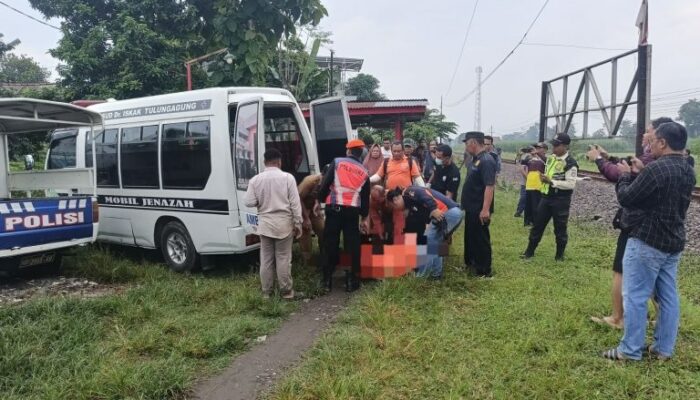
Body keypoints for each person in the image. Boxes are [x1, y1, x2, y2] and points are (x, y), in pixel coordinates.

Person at [602, 122, 696, 361]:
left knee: (635, 296)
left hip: (647, 241)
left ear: (663, 143)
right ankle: (663, 349)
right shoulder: (687, 169)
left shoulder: (658, 169)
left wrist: (624, 176)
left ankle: (630, 350)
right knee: (668, 297)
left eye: (652, 140)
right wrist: (643, 171)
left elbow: (627, 198)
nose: (649, 144)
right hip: (673, 241)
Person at [587, 117, 671, 329]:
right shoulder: (670, 161)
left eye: (648, 132)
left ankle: (619, 318)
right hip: (656, 226)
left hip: (637, 223)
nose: (644, 135)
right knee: (654, 275)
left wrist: (599, 160)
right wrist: (609, 157)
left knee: (621, 270)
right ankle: (663, 319)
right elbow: (630, 166)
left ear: (659, 138)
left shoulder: (653, 159)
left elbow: (622, 177)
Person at [244, 149, 303, 299]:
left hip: (265, 225)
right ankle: (287, 292)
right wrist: (298, 223)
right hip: (284, 223)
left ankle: (266, 292)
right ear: (279, 162)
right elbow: (295, 204)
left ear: (265, 162)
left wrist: (260, 202)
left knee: (266, 259)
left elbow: (248, 201)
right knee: (283, 258)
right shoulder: (287, 178)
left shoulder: (255, 180)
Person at [318, 139, 371, 292]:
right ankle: (351, 282)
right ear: (360, 154)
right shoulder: (364, 171)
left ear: (348, 151)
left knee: (330, 244)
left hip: (333, 210)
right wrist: (364, 217)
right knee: (351, 246)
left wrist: (321, 200)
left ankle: (327, 282)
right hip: (352, 213)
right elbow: (365, 198)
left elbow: (325, 184)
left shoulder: (337, 162)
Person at [522, 133, 578, 261]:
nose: (554, 148)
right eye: (553, 145)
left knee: (560, 228)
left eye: (557, 145)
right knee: (537, 225)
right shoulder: (552, 158)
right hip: (546, 198)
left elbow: (571, 184)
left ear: (565, 146)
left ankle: (559, 256)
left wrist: (551, 182)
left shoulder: (570, 162)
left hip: (561, 200)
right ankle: (529, 252)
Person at [387, 186, 464, 279]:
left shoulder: (408, 192)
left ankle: (422, 276)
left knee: (427, 241)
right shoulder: (410, 204)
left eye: (394, 207)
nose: (397, 210)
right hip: (451, 213)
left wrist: (433, 208)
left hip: (449, 211)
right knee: (434, 243)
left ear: (395, 199)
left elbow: (423, 194)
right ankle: (436, 274)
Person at [370, 141, 425, 244]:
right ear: (391, 151)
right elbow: (378, 176)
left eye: (399, 151)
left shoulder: (410, 161)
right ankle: (392, 244)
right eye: (394, 151)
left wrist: (425, 191)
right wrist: (367, 179)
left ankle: (406, 246)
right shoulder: (386, 162)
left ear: (403, 151)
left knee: (406, 223)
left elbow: (417, 178)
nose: (396, 153)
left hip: (405, 198)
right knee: (391, 223)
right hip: (390, 199)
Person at [461, 131, 497, 277]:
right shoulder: (476, 159)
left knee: (481, 239)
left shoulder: (487, 161)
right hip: (471, 207)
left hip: (479, 208)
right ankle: (472, 263)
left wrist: (485, 209)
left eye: (466, 143)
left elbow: (489, 186)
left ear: (473, 143)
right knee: (471, 236)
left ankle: (484, 270)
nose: (465, 146)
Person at [297, 173, 325, 266]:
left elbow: (320, 194)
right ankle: (307, 263)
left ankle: (324, 257)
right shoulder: (310, 181)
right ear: (323, 175)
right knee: (305, 231)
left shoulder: (327, 181)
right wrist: (305, 218)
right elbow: (298, 199)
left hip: (313, 208)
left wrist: (317, 203)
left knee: (323, 229)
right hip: (301, 208)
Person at [523, 145, 546, 227]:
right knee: (528, 205)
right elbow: (522, 162)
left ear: (544, 150)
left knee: (536, 205)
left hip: (538, 185)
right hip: (529, 185)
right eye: (536, 148)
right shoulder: (530, 159)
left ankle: (535, 222)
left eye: (539, 148)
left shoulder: (544, 159)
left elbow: (546, 162)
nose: (536, 150)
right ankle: (527, 221)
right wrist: (526, 154)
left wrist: (538, 155)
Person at [514, 146, 532, 218]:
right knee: (524, 198)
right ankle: (519, 212)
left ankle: (519, 212)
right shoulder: (527, 157)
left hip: (526, 182)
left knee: (524, 197)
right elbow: (519, 165)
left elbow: (518, 164)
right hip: (526, 182)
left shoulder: (526, 156)